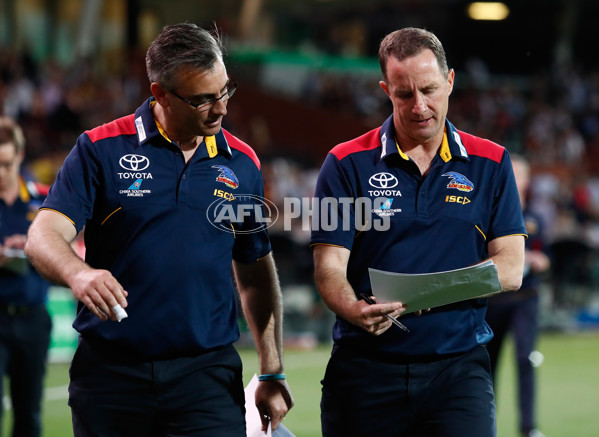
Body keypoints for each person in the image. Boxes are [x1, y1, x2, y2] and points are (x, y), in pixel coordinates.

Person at [25, 23, 293, 436]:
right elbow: (43, 236)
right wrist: (79, 273)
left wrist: (272, 371)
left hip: (206, 377)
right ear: (160, 94)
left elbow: (255, 272)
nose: (220, 108)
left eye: (224, 91)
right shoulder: (100, 148)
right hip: (111, 377)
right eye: (202, 99)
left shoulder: (242, 164)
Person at [310, 27, 526, 437]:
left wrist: (425, 293)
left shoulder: (491, 161)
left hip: (458, 372)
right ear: (384, 90)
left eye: (429, 89)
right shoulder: (345, 163)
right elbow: (329, 268)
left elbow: (512, 270)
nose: (420, 106)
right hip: (364, 372)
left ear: (450, 81)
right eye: (404, 94)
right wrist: (353, 308)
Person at [486, 154, 550, 437]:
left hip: (526, 298)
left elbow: (548, 257)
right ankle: (486, 425)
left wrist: (538, 260)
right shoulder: (488, 214)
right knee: (487, 363)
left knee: (525, 359)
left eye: (518, 175)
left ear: (526, 181)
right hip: (494, 299)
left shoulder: (534, 218)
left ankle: (529, 427)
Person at [0, 116, 52, 437]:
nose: (1, 172)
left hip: (33, 318)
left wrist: (36, 245)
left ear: (19, 155)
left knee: (29, 414)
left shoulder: (45, 198)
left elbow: (68, 249)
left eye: (6, 163)